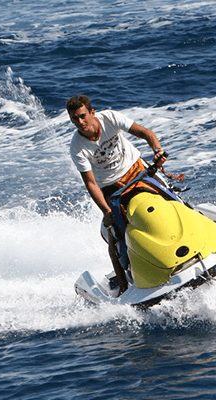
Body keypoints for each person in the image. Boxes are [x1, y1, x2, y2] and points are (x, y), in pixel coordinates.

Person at [67, 94, 167, 293]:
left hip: (137, 170)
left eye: (82, 115)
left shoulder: (110, 118)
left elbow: (146, 133)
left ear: (92, 112)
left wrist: (157, 150)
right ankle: (123, 286)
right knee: (116, 233)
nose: (80, 122)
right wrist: (107, 212)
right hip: (112, 187)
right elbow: (90, 183)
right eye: (74, 119)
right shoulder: (77, 147)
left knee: (172, 199)